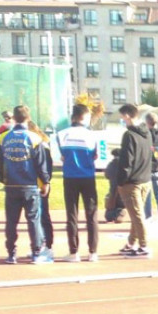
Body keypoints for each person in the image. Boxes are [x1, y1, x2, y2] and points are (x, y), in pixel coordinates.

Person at [0, 105, 52, 264]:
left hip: (11, 185)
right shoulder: (35, 138)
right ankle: (37, 253)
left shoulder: (3, 137)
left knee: (11, 221)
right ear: (28, 118)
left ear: (13, 118)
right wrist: (46, 182)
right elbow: (41, 164)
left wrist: (3, 179)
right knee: (33, 220)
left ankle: (11, 253)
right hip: (30, 185)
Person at [56, 103, 100, 262]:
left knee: (72, 215)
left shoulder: (61, 134)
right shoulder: (92, 135)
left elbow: (61, 157)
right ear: (85, 117)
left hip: (70, 178)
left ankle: (74, 252)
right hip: (88, 177)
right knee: (92, 214)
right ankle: (93, 252)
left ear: (73, 116)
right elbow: (96, 156)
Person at [116, 104, 153, 258]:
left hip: (132, 182)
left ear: (128, 116)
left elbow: (126, 161)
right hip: (145, 179)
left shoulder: (129, 135)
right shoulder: (147, 133)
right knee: (135, 214)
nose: (122, 120)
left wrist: (120, 181)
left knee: (137, 216)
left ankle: (144, 246)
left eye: (122, 117)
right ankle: (131, 243)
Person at [29, 122, 55, 261]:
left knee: (43, 214)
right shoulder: (40, 144)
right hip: (35, 184)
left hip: (40, 184)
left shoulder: (42, 145)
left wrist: (46, 182)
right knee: (36, 217)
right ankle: (39, 244)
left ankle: (48, 246)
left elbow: (47, 167)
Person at [143, 111, 158, 229]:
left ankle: (148, 219)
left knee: (147, 196)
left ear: (147, 122)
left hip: (148, 168)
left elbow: (154, 152)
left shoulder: (145, 134)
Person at [103, 148, 126, 223]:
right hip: (123, 188)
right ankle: (119, 212)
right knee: (121, 202)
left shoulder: (111, 164)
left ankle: (111, 215)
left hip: (113, 188)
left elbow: (107, 175)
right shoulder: (124, 164)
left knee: (111, 201)